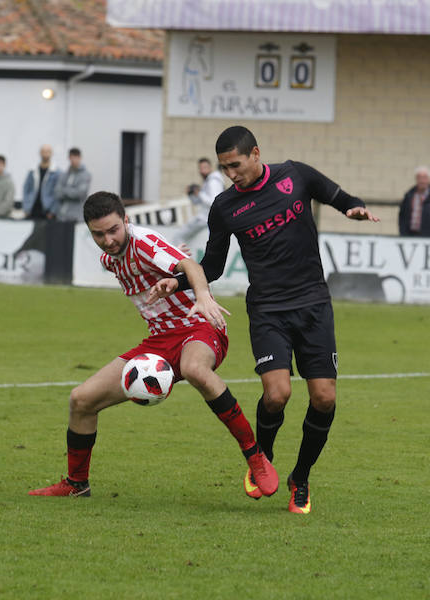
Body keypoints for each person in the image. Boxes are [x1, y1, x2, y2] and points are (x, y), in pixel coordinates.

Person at [148, 126, 379, 514]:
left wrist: (353, 207)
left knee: (324, 398)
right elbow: (214, 266)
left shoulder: (295, 175)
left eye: (235, 165)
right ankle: (262, 458)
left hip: (313, 304)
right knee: (278, 395)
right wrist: (179, 279)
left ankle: (300, 479)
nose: (231, 174)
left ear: (255, 153)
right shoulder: (224, 207)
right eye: (224, 168)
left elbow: (337, 196)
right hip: (269, 309)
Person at [28, 191, 278, 499]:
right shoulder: (110, 258)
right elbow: (160, 260)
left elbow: (192, 267)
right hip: (159, 341)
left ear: (127, 221)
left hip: (197, 326)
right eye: (98, 234)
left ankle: (255, 457)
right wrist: (173, 259)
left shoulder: (142, 242)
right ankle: (76, 484)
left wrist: (201, 296)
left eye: (113, 230)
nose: (108, 239)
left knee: (194, 369)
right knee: (81, 400)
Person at [175, 157, 225, 245]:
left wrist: (199, 193)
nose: (202, 171)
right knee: (183, 237)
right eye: (201, 168)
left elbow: (214, 202)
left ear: (210, 168)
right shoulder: (207, 181)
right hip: (203, 218)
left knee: (179, 237)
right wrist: (191, 194)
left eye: (205, 168)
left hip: (206, 219)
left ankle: (179, 257)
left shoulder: (214, 181)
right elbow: (197, 202)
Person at [398, 166, 430, 237]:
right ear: (416, 179)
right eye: (419, 178)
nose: (422, 181)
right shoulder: (409, 195)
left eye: (424, 178)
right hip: (410, 236)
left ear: (429, 179)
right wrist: (403, 233)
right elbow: (402, 216)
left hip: (429, 238)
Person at [22, 145, 60, 219]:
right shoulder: (32, 171)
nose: (45, 154)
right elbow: (26, 189)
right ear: (40, 153)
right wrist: (26, 207)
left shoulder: (57, 172)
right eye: (43, 152)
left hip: (47, 212)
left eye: (47, 152)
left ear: (51, 153)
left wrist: (53, 211)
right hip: (32, 210)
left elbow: (58, 194)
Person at [53, 147, 91, 222]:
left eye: (76, 157)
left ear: (80, 158)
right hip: (61, 216)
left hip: (77, 217)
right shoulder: (64, 174)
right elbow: (57, 192)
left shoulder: (86, 175)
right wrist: (71, 191)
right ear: (69, 158)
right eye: (71, 157)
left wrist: (64, 190)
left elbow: (80, 194)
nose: (73, 160)